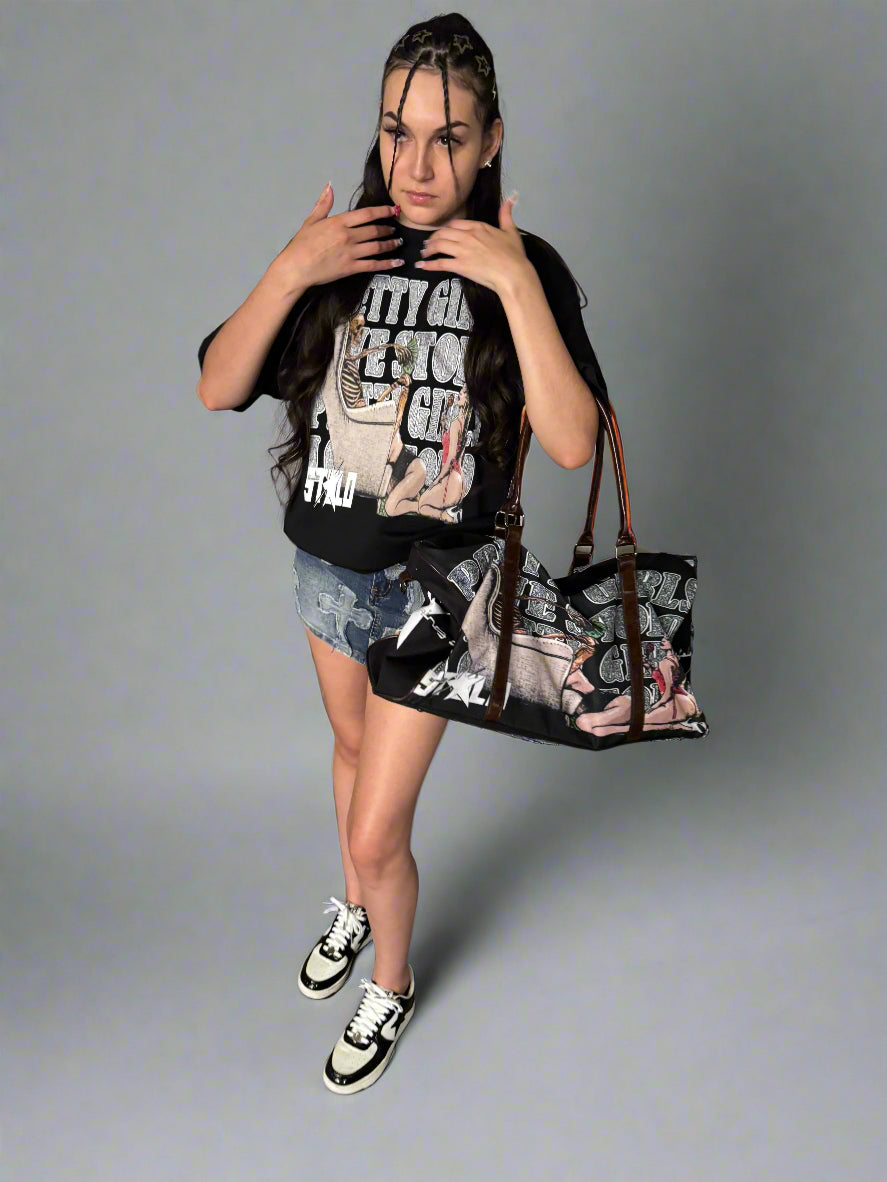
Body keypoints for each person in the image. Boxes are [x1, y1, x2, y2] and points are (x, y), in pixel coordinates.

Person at [196, 13, 609, 1096]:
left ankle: (391, 976)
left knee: (380, 828)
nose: (417, 164)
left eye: (447, 137)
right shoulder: (344, 253)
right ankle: (353, 902)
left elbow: (572, 442)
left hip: (442, 597)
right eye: (397, 131)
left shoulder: (523, 268)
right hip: (329, 573)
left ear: (490, 142)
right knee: (346, 752)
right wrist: (291, 266)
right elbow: (216, 384)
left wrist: (515, 284)